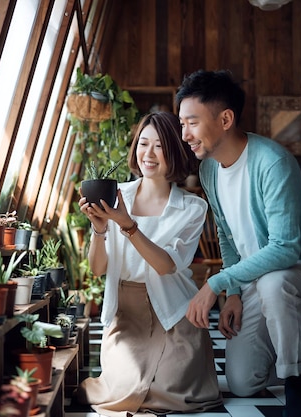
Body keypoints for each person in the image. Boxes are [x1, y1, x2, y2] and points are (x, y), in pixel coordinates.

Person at [177, 69, 301, 417]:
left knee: (275, 281)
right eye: (182, 123)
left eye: (192, 122)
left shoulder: (272, 162)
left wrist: (217, 283)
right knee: (243, 382)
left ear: (226, 119)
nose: (185, 134)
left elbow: (285, 249)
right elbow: (227, 237)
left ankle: (296, 385)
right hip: (255, 283)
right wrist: (233, 293)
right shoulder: (209, 171)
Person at [75, 111, 222, 416]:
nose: (149, 154)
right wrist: (100, 228)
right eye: (143, 144)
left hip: (174, 312)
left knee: (177, 392)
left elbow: (167, 266)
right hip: (127, 315)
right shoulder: (115, 197)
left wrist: (128, 225)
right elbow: (97, 269)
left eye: (160, 146)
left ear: (175, 152)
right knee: (123, 390)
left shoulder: (193, 207)